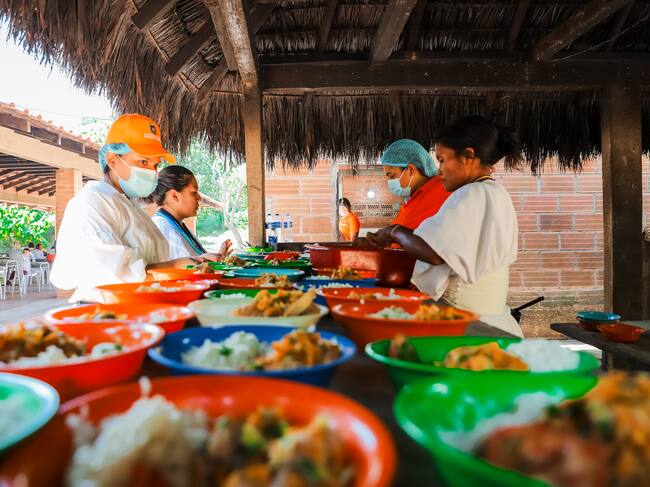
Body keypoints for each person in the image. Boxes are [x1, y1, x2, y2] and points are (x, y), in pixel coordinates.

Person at [365, 116, 522, 337]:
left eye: (442, 160)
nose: (439, 170)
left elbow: (434, 252)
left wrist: (394, 232)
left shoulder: (472, 193)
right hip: (489, 317)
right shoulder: (495, 192)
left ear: (468, 156)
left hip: (467, 320)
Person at [50, 113, 212, 303]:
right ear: (112, 159)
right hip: (107, 312)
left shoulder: (130, 206)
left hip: (141, 307)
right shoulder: (92, 202)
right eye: (143, 162)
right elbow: (114, 275)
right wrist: (176, 266)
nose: (151, 172)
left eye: (155, 165)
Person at [149, 165, 232, 259]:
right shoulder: (163, 227)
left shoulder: (175, 225)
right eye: (194, 193)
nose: (199, 198)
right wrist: (207, 261)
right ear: (174, 196)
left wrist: (218, 257)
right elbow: (181, 266)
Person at [381, 139, 451, 230]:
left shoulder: (443, 191)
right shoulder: (412, 198)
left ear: (411, 170)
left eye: (391, 176)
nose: (389, 182)